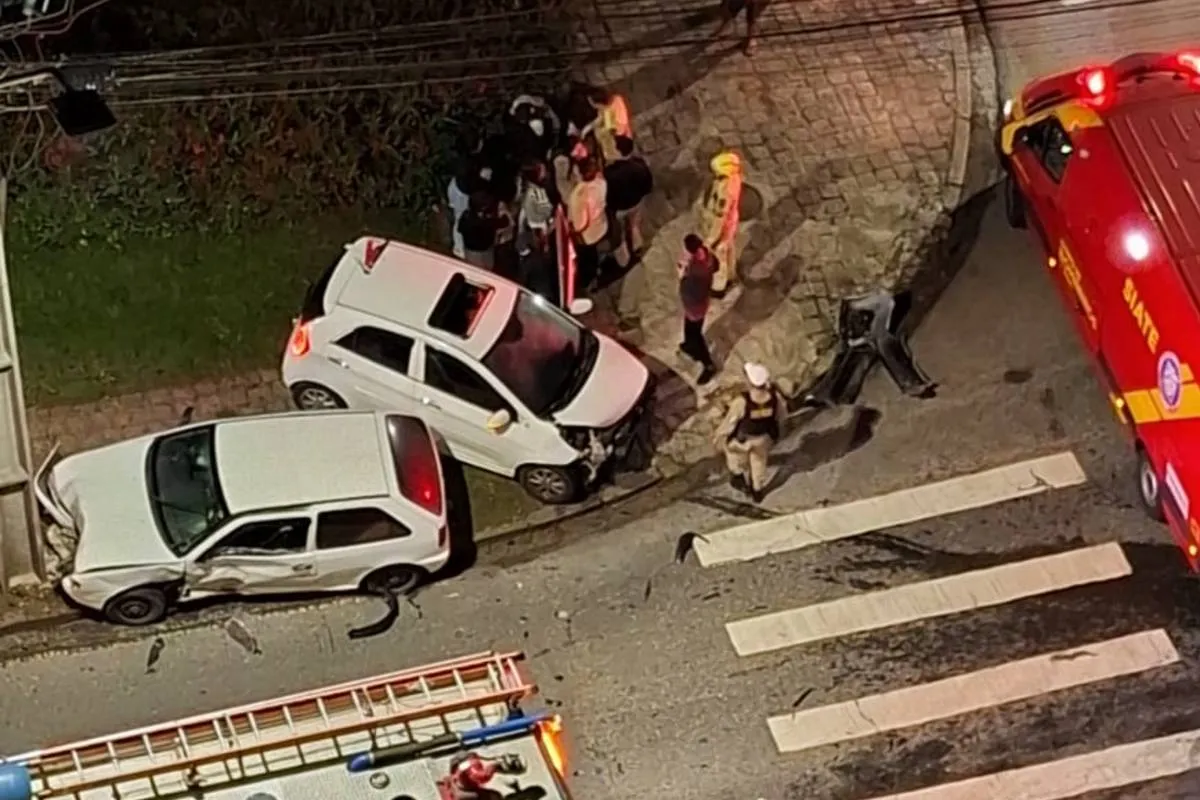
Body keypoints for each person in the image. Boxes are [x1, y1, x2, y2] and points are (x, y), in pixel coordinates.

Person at [715, 361, 786, 502]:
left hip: (743, 440)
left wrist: (720, 435)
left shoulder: (741, 402)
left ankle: (738, 476)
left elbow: (730, 421)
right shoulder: (775, 398)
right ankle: (757, 490)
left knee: (733, 455)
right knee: (759, 463)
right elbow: (781, 416)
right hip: (763, 438)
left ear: (750, 382)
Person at [604, 135, 654, 332]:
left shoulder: (610, 173)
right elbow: (648, 187)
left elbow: (606, 196)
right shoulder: (640, 166)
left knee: (620, 234)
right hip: (636, 203)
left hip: (619, 208)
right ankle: (637, 245)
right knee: (634, 227)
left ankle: (624, 260)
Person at [697, 150, 744, 297]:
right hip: (731, 222)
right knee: (729, 249)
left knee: (719, 256)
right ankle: (731, 275)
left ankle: (719, 287)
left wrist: (711, 239)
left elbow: (719, 217)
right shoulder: (735, 178)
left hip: (722, 229)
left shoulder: (724, 191)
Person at [677, 234, 718, 385]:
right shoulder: (706, 256)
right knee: (689, 327)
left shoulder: (696, 270)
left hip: (695, 307)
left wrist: (682, 276)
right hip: (699, 304)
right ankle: (689, 344)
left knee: (696, 333)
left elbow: (690, 289)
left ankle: (708, 364)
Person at [567, 156, 610, 298]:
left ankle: (589, 279)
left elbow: (581, 224)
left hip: (588, 236)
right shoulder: (601, 184)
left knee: (588, 258)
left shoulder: (579, 196)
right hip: (601, 225)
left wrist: (571, 230)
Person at [581, 85, 632, 165]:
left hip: (617, 147)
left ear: (599, 104)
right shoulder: (615, 100)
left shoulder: (609, 117)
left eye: (592, 103)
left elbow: (611, 129)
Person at [458, 191, 503, 270]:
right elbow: (504, 222)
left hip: (469, 251)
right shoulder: (485, 222)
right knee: (485, 270)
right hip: (483, 253)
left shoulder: (466, 216)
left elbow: (459, 228)